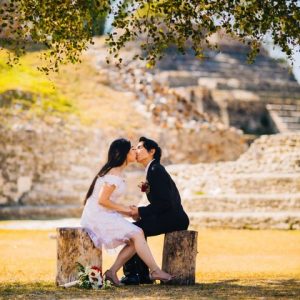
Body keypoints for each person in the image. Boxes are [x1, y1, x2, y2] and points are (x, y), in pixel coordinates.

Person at [80, 138, 172, 286]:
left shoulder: (117, 172)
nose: (135, 151)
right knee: (137, 233)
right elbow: (102, 201)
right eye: (132, 149)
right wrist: (128, 212)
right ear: (123, 153)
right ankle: (155, 270)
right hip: (97, 217)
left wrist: (128, 212)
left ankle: (111, 272)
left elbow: (107, 203)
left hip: (104, 214)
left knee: (134, 238)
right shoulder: (113, 174)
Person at [121, 136, 189, 285]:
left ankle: (134, 274)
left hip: (174, 218)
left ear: (151, 151)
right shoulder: (152, 169)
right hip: (167, 215)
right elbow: (161, 202)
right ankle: (141, 274)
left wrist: (140, 211)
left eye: (140, 147)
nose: (136, 150)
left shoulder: (156, 169)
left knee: (133, 230)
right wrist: (141, 213)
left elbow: (165, 203)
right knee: (136, 229)